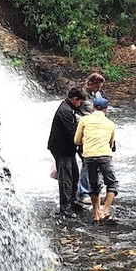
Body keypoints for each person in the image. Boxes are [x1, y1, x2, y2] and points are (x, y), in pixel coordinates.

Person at [74, 95, 118, 223]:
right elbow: (111, 144)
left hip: (88, 156)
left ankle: (96, 213)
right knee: (112, 183)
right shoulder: (110, 124)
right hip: (104, 155)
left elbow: (76, 141)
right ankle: (105, 211)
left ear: (93, 108)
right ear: (106, 109)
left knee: (93, 185)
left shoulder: (84, 120)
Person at [46, 87, 85, 215]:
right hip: (61, 148)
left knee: (74, 175)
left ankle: (73, 202)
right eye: (80, 101)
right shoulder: (65, 111)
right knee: (65, 178)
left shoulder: (70, 108)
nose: (81, 104)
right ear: (75, 99)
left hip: (68, 148)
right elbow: (72, 132)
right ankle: (65, 207)